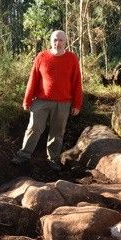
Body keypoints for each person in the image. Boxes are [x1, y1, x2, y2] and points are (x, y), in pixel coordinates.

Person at [12, 30, 83, 170]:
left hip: (63, 103)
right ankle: (23, 155)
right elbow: (33, 79)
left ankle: (53, 159)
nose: (58, 43)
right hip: (41, 101)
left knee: (57, 132)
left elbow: (77, 83)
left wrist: (77, 104)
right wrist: (27, 100)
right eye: (55, 40)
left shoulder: (72, 58)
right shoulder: (42, 56)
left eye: (61, 40)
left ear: (66, 42)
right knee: (34, 128)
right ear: (51, 41)